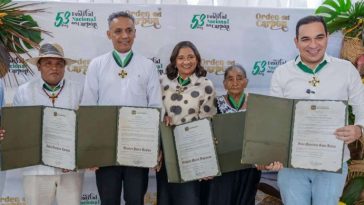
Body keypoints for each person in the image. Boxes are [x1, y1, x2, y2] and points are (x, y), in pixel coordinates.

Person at [270, 15, 364, 205]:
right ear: (296, 42)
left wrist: (359, 129)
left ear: (327, 37)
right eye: (306, 39)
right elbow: (273, 120)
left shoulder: (346, 70)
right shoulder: (282, 73)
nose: (313, 45)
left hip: (332, 164)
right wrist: (271, 153)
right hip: (292, 165)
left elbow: (362, 108)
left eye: (319, 37)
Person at [81, 11, 162, 205]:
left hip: (138, 148)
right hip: (105, 149)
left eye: (129, 30)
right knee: (109, 201)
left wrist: (154, 147)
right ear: (109, 34)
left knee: (135, 200)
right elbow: (88, 108)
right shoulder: (96, 65)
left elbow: (156, 107)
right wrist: (90, 152)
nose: (124, 36)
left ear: (135, 33)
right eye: (118, 31)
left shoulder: (148, 66)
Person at [12, 42, 84, 205]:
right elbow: (17, 129)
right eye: (48, 63)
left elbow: (86, 129)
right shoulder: (24, 92)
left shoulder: (79, 90)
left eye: (59, 64)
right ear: (39, 66)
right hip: (36, 170)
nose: (54, 68)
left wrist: (77, 158)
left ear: (65, 66)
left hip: (70, 170)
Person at [203, 64, 282, 205]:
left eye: (239, 78)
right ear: (224, 84)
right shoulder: (214, 105)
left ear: (246, 82)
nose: (235, 82)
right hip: (223, 169)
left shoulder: (257, 104)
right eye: (230, 79)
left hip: (249, 167)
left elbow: (265, 135)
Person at [157, 40, 217, 205]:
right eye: (181, 57)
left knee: (189, 199)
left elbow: (208, 123)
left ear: (197, 59)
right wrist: (163, 117)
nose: (186, 61)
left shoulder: (206, 85)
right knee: (165, 199)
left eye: (190, 57)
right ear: (174, 61)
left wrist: (205, 161)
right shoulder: (162, 82)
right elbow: (156, 111)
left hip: (192, 154)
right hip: (167, 152)